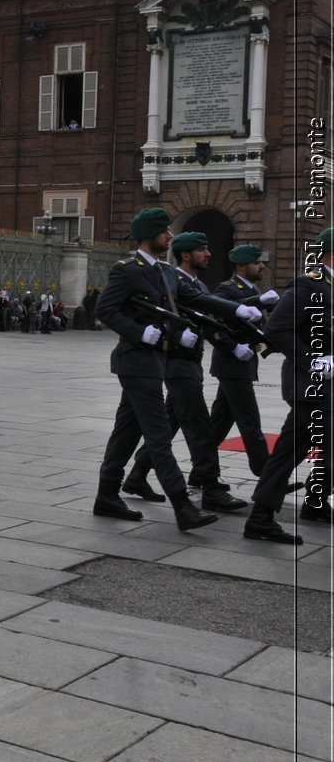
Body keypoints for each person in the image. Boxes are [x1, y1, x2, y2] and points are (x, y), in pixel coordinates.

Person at [91, 208, 263, 530]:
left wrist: (238, 308)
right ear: (148, 234)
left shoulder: (167, 273)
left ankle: (107, 495)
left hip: (154, 361)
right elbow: (105, 310)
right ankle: (183, 506)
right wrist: (139, 332)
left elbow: (200, 300)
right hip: (135, 361)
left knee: (126, 433)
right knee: (158, 436)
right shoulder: (127, 270)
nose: (169, 236)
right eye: (164, 231)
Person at [119, 231, 247, 513]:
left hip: (188, 360)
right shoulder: (169, 278)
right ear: (186, 255)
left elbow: (206, 315)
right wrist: (177, 337)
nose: (209, 254)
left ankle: (137, 476)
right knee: (199, 425)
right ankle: (210, 486)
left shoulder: (195, 282)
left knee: (170, 421)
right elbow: (160, 314)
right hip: (177, 362)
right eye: (203, 250)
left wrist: (240, 316)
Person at [242, 226, 334, 543]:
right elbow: (277, 331)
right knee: (290, 452)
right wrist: (313, 360)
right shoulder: (308, 287)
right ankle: (261, 518)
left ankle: (315, 502)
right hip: (312, 387)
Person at [207, 243, 276, 479]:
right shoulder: (227, 289)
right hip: (232, 361)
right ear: (241, 266)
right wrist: (233, 347)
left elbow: (261, 328)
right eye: (256, 262)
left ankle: (200, 471)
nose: (262, 266)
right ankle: (267, 475)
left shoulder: (252, 290)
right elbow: (217, 316)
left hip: (245, 362)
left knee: (219, 423)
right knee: (250, 421)